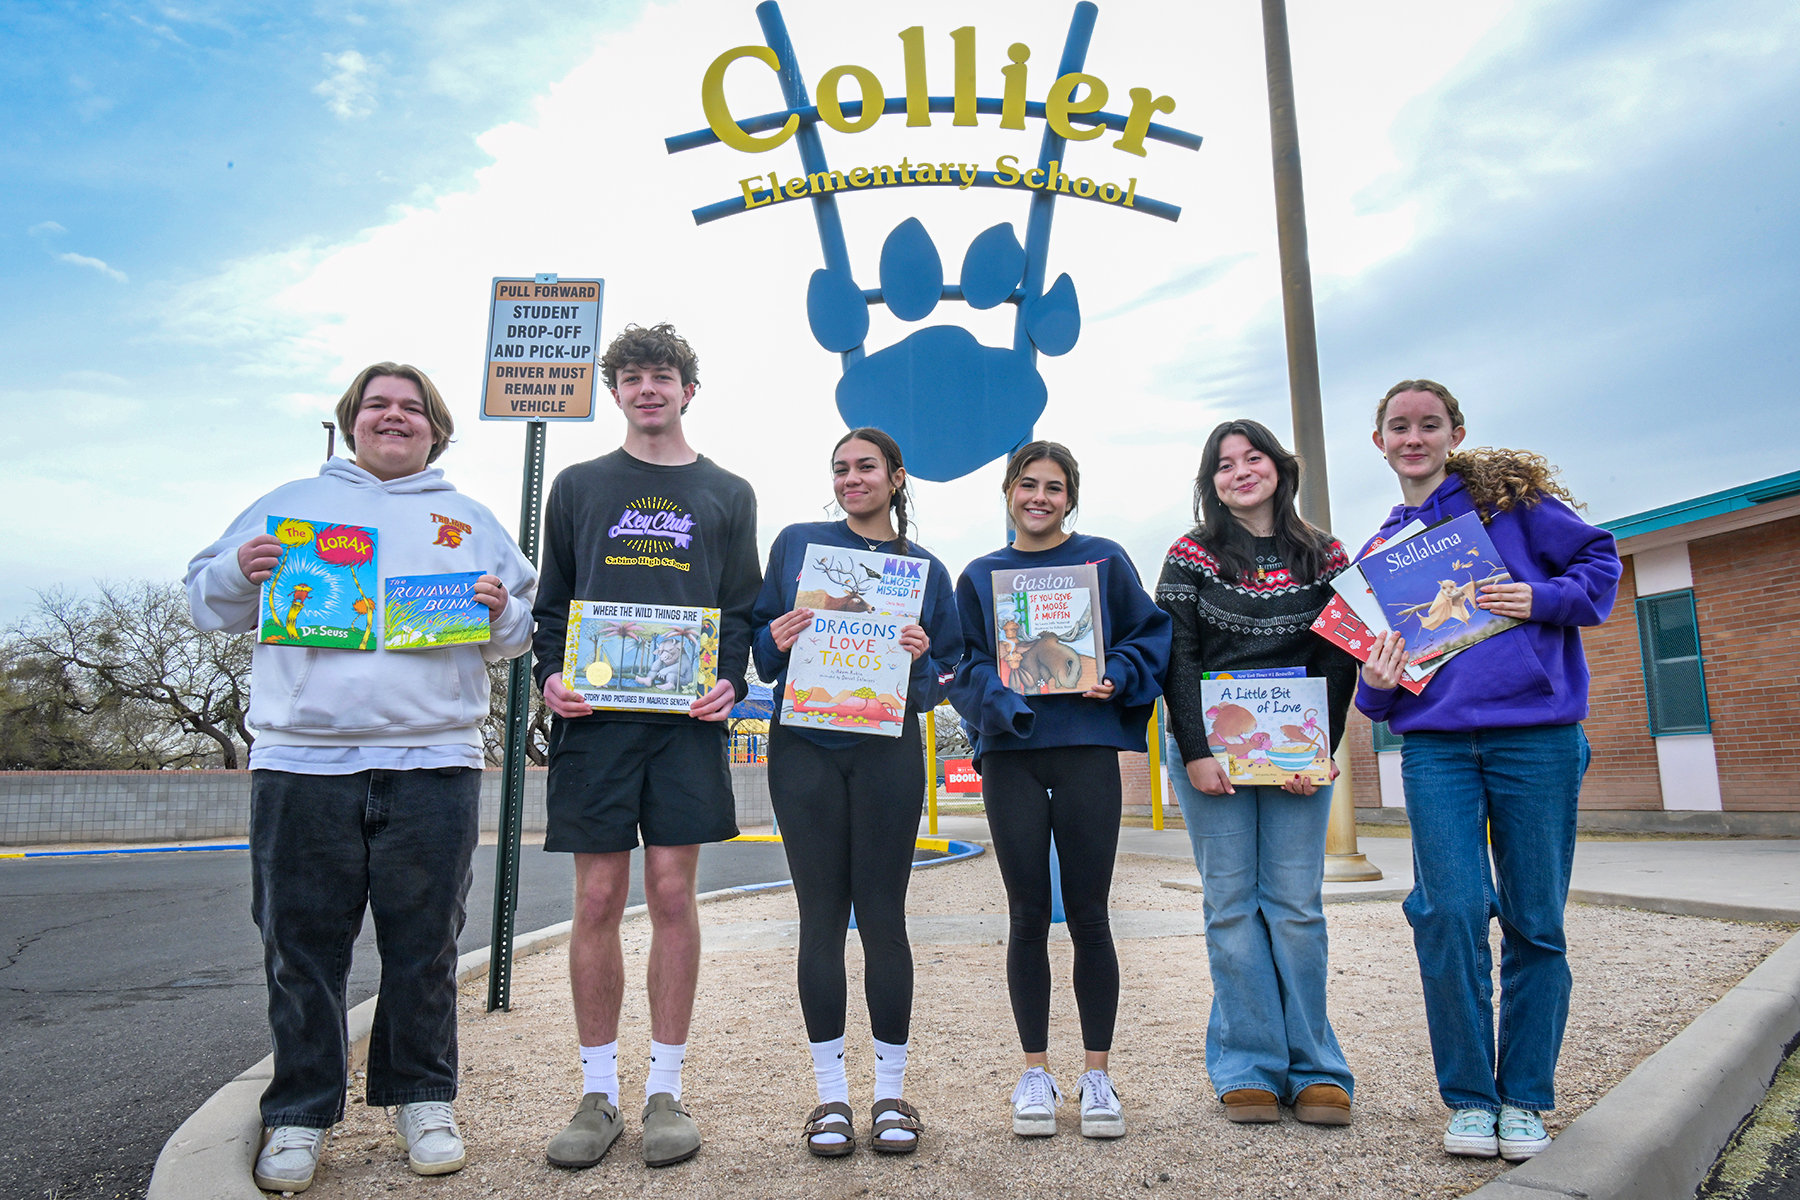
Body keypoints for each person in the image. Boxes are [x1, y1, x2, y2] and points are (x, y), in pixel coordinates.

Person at [186, 362, 538, 1192]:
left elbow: (516, 635)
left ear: (435, 429)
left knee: (426, 948)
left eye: (411, 408)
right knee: (299, 949)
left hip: (436, 761)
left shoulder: (469, 519)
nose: (394, 417)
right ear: (352, 422)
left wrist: (499, 613)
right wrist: (242, 566)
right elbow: (206, 601)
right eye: (377, 405)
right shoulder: (288, 505)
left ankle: (424, 1099)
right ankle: (300, 1114)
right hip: (302, 761)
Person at [1356, 379, 1619, 1161]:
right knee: (1449, 914)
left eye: (1428, 425)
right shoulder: (1380, 554)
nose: (1413, 438)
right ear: (1380, 443)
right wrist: (1373, 684)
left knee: (1536, 920)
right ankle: (1471, 1098)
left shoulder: (1513, 507)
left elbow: (1598, 565)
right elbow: (1377, 691)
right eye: (1398, 427)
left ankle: (1526, 1098)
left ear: (1454, 432)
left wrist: (1537, 598)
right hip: (1435, 750)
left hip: (1534, 739)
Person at [533, 323, 761, 1170]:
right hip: (594, 723)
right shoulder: (580, 485)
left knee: (671, 893)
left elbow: (739, 607)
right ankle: (598, 1094)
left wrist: (729, 678)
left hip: (684, 725)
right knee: (596, 901)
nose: (647, 390)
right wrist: (548, 679)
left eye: (661, 376)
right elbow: (552, 601)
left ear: (687, 389)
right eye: (630, 378)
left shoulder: (727, 491)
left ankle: (666, 1088)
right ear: (615, 391)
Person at [948, 441, 1170, 1140]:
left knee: (1091, 916)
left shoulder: (1102, 560)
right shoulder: (981, 575)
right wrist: (1004, 704)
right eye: (1028, 484)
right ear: (1009, 492)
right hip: (1012, 757)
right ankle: (1035, 1072)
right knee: (1025, 916)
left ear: (1070, 497)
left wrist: (1120, 675)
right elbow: (965, 662)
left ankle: (1097, 1074)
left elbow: (1148, 637)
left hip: (1085, 754)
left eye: (1054, 487)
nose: (1039, 497)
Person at [751, 428, 964, 1156]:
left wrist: (924, 658)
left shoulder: (925, 569)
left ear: (897, 478)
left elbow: (947, 677)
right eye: (840, 469)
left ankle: (890, 1095)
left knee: (882, 917)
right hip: (803, 749)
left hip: (887, 753)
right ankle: (830, 1098)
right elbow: (759, 651)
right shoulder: (797, 547)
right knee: (819, 918)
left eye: (866, 467)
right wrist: (775, 638)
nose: (851, 479)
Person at [1154, 420, 1360, 1126]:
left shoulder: (1325, 554)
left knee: (1296, 909)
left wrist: (1319, 750)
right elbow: (1177, 657)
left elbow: (1339, 656)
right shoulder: (1191, 556)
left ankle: (1316, 1069)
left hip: (1296, 752)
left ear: (1279, 466)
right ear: (1210, 482)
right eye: (1224, 464)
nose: (1240, 471)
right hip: (1210, 752)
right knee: (1232, 907)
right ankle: (1248, 1065)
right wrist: (1198, 749)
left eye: (1253, 458)